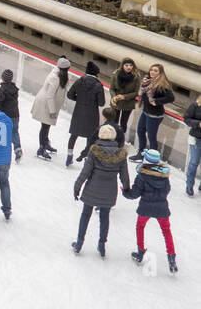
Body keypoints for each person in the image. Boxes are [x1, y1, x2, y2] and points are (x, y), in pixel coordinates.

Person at [71, 124, 130, 257]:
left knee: (86, 214)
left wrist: (77, 186)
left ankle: (79, 242)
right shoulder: (121, 154)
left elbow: (85, 172)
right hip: (109, 191)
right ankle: (102, 245)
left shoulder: (94, 151)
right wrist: (126, 188)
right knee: (105, 217)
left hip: (92, 188)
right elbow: (124, 175)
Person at [126, 149, 177, 273]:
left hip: (146, 207)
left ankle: (140, 252)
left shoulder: (142, 175)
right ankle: (171, 259)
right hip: (161, 208)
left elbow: (135, 193)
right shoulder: (164, 176)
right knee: (166, 231)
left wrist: (125, 192)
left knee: (140, 226)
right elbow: (167, 190)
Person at [131, 63, 175, 162]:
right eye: (151, 70)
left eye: (155, 70)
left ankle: (152, 158)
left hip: (155, 115)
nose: (152, 72)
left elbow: (171, 97)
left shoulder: (162, 84)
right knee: (140, 131)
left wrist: (157, 102)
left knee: (151, 136)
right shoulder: (146, 81)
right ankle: (141, 153)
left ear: (160, 73)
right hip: (146, 111)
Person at [31, 57, 71, 161]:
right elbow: (50, 95)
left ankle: (46, 143)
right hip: (45, 104)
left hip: (49, 103)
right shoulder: (54, 77)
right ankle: (41, 148)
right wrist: (52, 111)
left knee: (47, 125)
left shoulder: (61, 76)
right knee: (45, 126)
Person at [65, 62, 105, 167]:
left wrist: (79, 100)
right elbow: (101, 103)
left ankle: (69, 155)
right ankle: (87, 158)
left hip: (78, 111)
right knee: (90, 137)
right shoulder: (98, 85)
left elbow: (70, 95)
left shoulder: (79, 81)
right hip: (92, 115)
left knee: (74, 135)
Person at [108, 57, 141, 138]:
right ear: (122, 66)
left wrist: (124, 97)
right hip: (116, 102)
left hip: (128, 103)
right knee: (113, 121)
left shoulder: (136, 77)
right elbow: (112, 88)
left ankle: (120, 139)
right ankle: (112, 138)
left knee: (123, 122)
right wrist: (114, 97)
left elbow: (137, 92)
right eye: (126, 65)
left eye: (131, 65)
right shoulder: (116, 74)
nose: (129, 67)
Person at [0, 69, 24, 161]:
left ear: (3, 78)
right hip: (15, 114)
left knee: (2, 132)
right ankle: (18, 149)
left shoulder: (2, 89)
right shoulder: (15, 89)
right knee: (14, 132)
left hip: (6, 115)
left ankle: (1, 151)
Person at [184, 91, 201, 198]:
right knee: (194, 162)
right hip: (196, 138)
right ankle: (189, 185)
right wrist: (198, 124)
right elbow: (186, 118)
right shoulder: (195, 106)